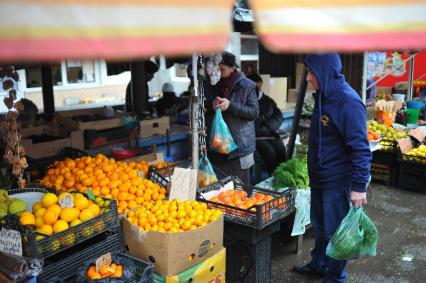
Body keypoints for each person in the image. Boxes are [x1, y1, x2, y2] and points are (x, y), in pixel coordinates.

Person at [293, 53, 372, 283]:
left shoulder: (348, 102)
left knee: (337, 234)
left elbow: (360, 148)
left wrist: (359, 186)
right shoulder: (322, 97)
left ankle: (335, 277)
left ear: (324, 72)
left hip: (337, 182)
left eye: (311, 72)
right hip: (319, 178)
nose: (307, 78)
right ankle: (319, 264)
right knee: (319, 227)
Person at [205, 51, 259, 185]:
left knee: (240, 192)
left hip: (239, 149)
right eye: (216, 69)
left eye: (222, 69)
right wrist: (212, 106)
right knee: (221, 193)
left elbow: (254, 112)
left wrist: (230, 105)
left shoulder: (248, 86)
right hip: (217, 147)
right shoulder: (213, 84)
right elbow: (203, 109)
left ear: (232, 67)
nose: (218, 72)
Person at [247, 73, 286, 173]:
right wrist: (263, 126)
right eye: (256, 85)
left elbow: (278, 116)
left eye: (260, 84)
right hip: (256, 137)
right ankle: (272, 176)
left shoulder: (268, 100)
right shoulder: (247, 101)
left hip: (270, 133)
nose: (259, 87)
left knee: (281, 149)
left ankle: (281, 174)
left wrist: (269, 126)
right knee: (270, 152)